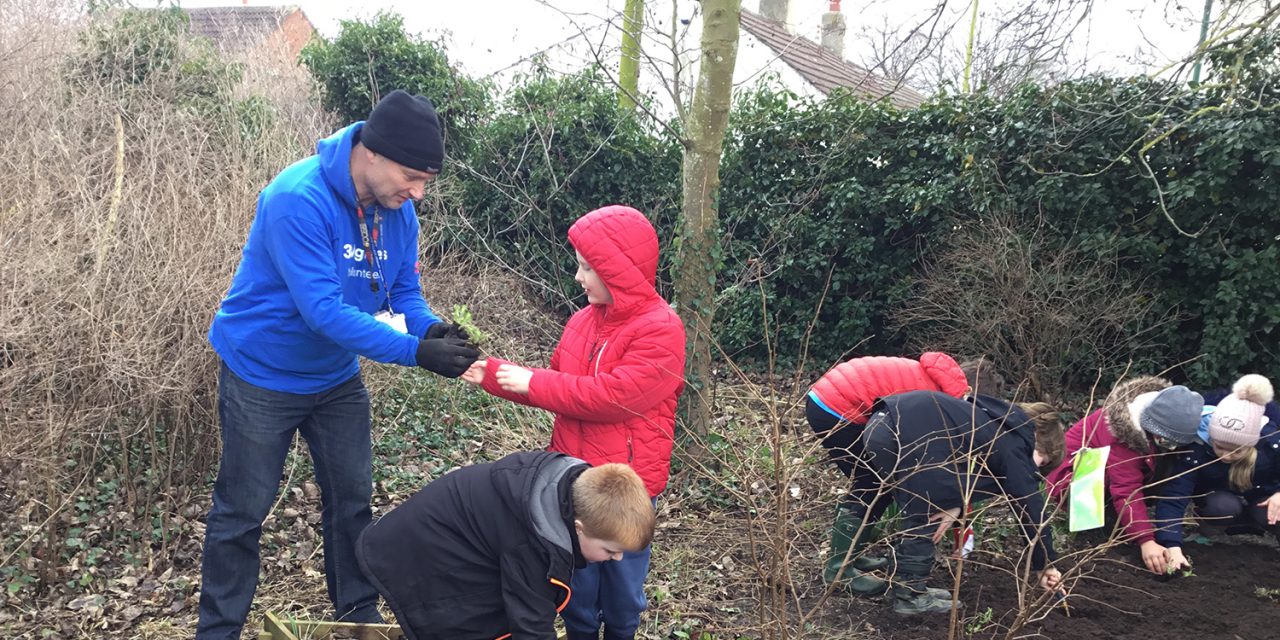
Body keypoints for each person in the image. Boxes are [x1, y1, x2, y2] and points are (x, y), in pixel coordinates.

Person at [197, 90, 480, 639]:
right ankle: (218, 631)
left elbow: (404, 293)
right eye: (412, 176)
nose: (418, 192)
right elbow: (323, 311)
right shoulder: (295, 198)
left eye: (427, 181)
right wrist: (414, 353)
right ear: (372, 153)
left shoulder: (400, 215)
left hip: (333, 378)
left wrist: (432, 329)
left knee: (352, 499)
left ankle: (356, 614)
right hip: (263, 373)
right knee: (241, 514)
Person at [461, 205, 686, 640]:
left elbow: (613, 397)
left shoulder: (662, 329)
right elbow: (555, 386)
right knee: (577, 592)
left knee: (622, 595)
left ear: (616, 270)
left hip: (626, 488)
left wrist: (535, 382)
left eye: (587, 268)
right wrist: (487, 372)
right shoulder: (582, 321)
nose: (579, 277)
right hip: (573, 485)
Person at [356, 451, 656, 640]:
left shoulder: (566, 490)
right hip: (422, 554)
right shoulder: (532, 543)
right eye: (610, 550)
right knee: (468, 625)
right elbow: (532, 625)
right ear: (579, 528)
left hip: (453, 541)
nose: (616, 559)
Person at [860, 390, 1066, 615]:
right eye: (1042, 460)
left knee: (922, 506)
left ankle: (904, 584)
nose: (1035, 468)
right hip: (902, 433)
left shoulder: (994, 420)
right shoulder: (1016, 442)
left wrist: (955, 505)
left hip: (882, 423)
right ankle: (910, 596)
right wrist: (1044, 563)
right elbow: (1029, 506)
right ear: (1039, 437)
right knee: (925, 508)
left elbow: (970, 477)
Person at [804, 352, 969, 595]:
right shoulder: (938, 400)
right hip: (837, 408)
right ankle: (839, 571)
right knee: (872, 485)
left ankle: (851, 557)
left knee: (876, 483)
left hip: (828, 397)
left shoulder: (939, 381)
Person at [1043, 377, 1204, 575]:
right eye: (1165, 441)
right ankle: (1092, 527)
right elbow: (1126, 489)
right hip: (1070, 479)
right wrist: (1146, 540)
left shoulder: (1161, 421)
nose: (1169, 446)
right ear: (1150, 424)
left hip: (1112, 476)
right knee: (1113, 481)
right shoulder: (1120, 434)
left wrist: (1171, 542)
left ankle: (1115, 518)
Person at [1154, 374, 1280, 572]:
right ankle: (1211, 530)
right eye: (1219, 446)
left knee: (1275, 511)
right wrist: (1172, 545)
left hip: (1260, 498)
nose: (1226, 456)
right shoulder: (1197, 449)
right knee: (1222, 506)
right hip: (1220, 500)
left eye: (1237, 451)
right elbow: (1174, 497)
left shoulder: (1272, 444)